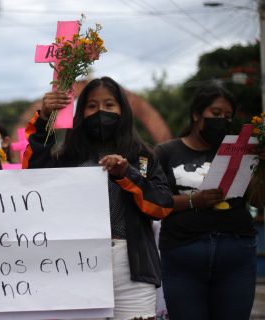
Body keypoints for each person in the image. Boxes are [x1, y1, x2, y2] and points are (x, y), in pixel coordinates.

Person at [23, 76, 174, 320]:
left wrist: (127, 174)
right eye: (92, 106)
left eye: (109, 105)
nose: (100, 112)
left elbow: (162, 207)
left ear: (122, 111)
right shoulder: (66, 158)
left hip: (133, 267)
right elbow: (33, 176)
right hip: (77, 266)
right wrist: (43, 119)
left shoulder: (143, 158)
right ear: (80, 113)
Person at [154, 85, 265, 320]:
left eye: (227, 116)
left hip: (235, 254)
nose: (222, 120)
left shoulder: (238, 151)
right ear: (196, 115)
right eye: (215, 113)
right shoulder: (166, 152)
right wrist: (193, 200)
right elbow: (155, 202)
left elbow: (258, 200)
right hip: (183, 256)